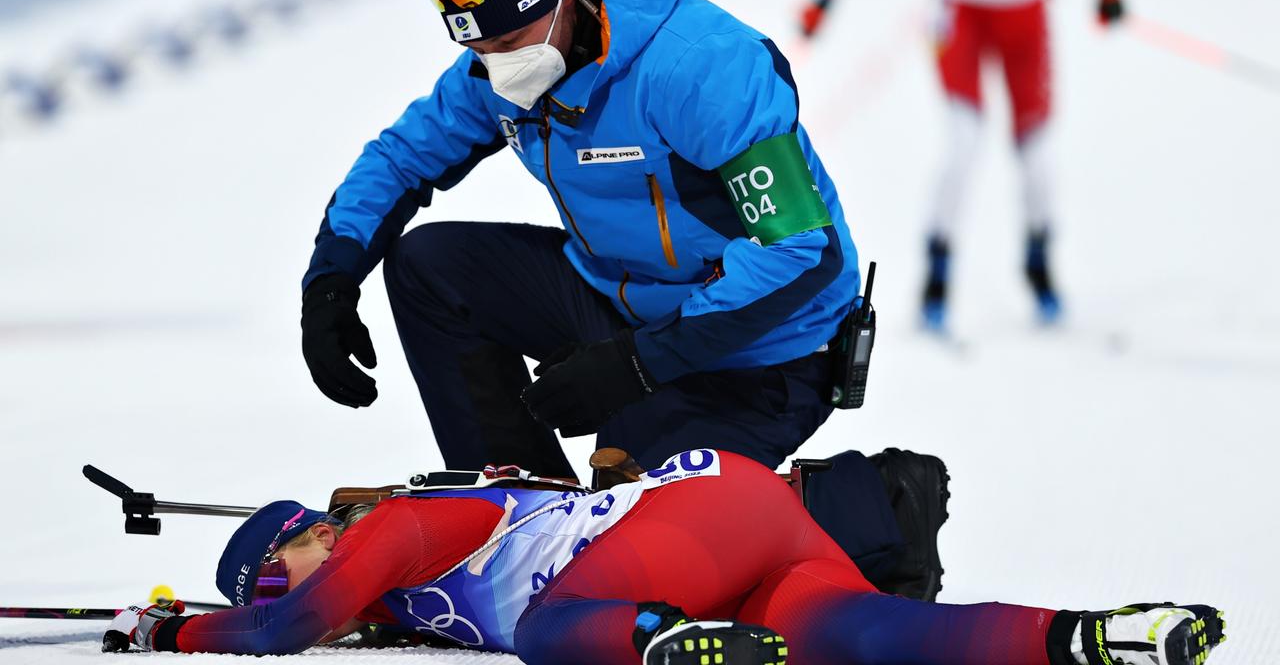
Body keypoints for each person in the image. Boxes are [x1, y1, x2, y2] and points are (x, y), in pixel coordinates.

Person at [298, 0, 946, 596]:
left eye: (511, 40)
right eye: (480, 48)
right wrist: (330, 281)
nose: (496, 66)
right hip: (628, 304)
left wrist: (637, 364)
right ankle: (519, 525)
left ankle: (881, 512)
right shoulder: (499, 70)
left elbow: (801, 251)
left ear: (562, 1)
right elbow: (403, 157)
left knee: (641, 544)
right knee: (430, 268)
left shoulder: (704, 66)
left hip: (766, 347)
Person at [105, 450, 1226, 665]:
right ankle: (1089, 638)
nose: (291, 589)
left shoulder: (390, 532)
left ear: (310, 539)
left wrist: (172, 628)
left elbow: (282, 630)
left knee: (551, 634)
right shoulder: (397, 589)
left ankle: (665, 647)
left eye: (273, 567)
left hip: (690, 528)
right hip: (734, 536)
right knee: (869, 634)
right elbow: (343, 614)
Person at [920, 0, 1127, 330]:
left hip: (1024, 15)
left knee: (1038, 157)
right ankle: (936, 276)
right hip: (962, 11)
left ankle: (1039, 262)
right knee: (962, 144)